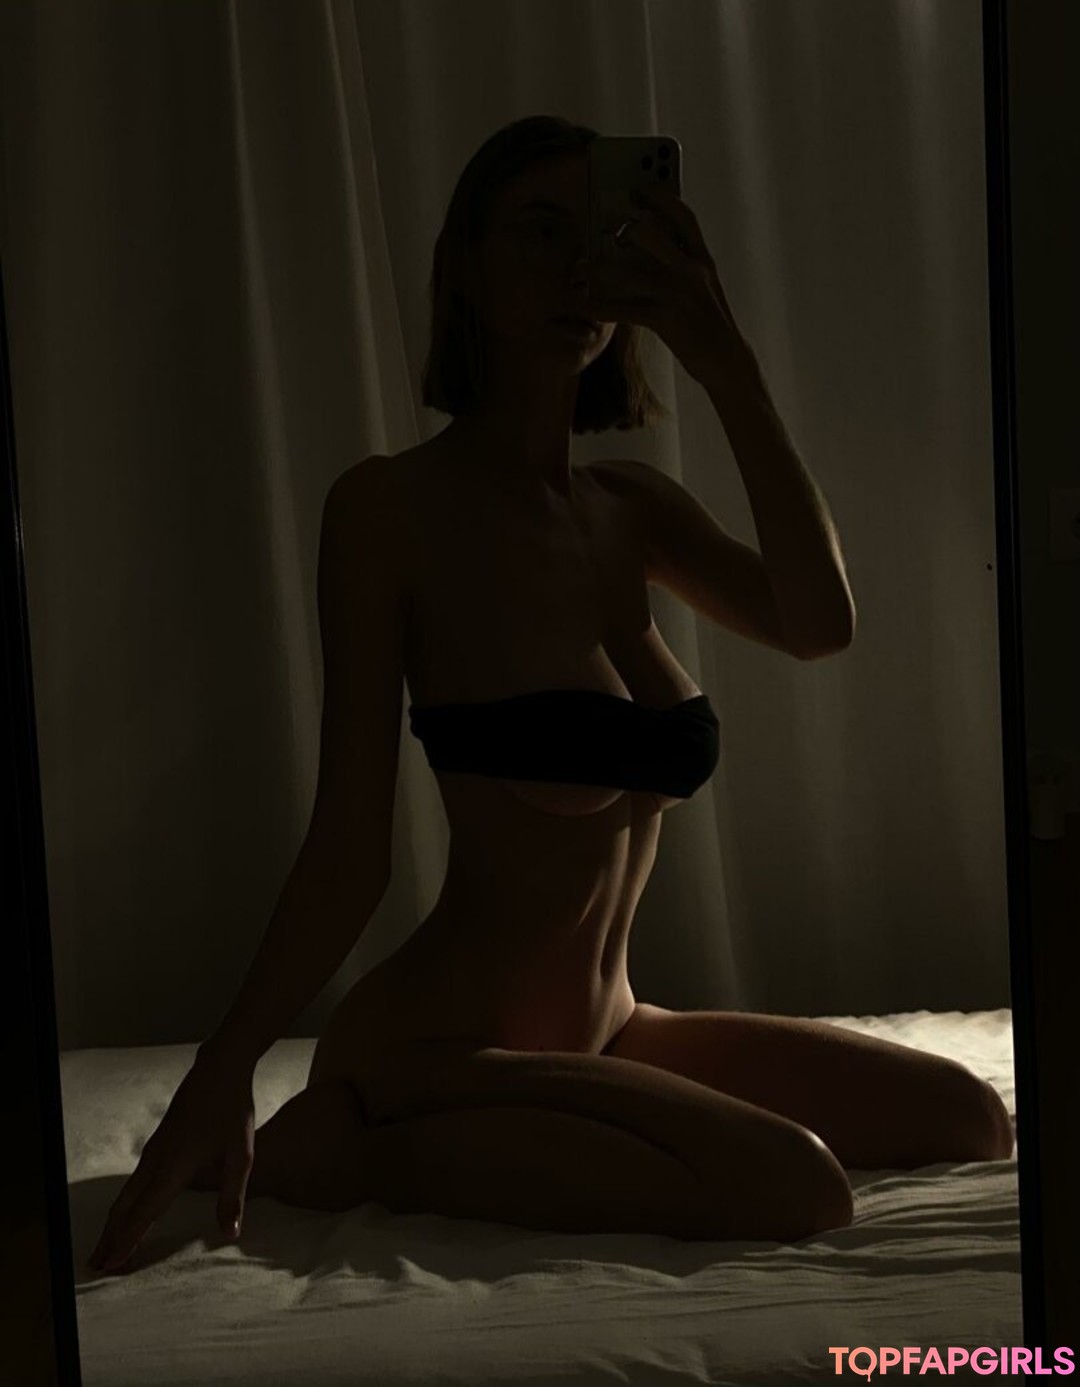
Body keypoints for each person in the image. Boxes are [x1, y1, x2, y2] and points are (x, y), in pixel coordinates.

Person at [88, 115, 1011, 1274]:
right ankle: (346, 1139)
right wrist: (222, 1066)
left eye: (603, 236)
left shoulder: (632, 512)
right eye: (540, 230)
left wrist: (723, 357)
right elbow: (349, 845)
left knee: (969, 1118)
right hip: (442, 1043)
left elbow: (819, 623)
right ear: (466, 267)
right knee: (798, 1185)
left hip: (613, 1026)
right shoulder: (390, 511)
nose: (579, 266)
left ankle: (437, 1123)